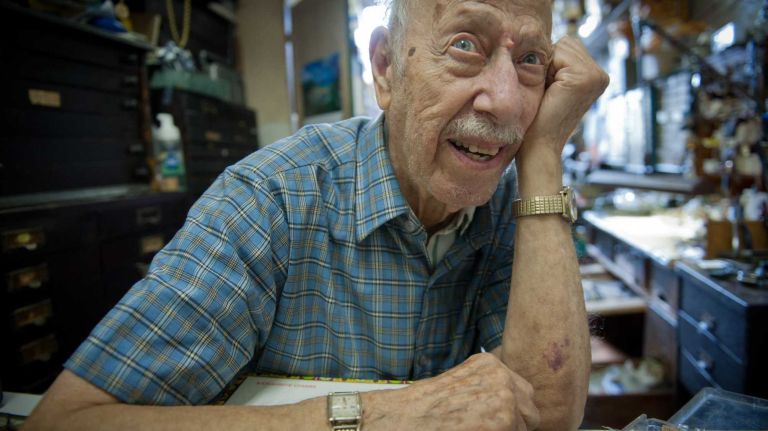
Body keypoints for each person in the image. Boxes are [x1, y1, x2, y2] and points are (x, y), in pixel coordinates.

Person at [23, 0, 608, 429]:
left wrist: (543, 157)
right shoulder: (272, 197)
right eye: (463, 46)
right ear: (385, 69)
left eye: (531, 60)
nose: (506, 100)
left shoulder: (508, 202)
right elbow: (69, 420)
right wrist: (383, 417)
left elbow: (550, 412)